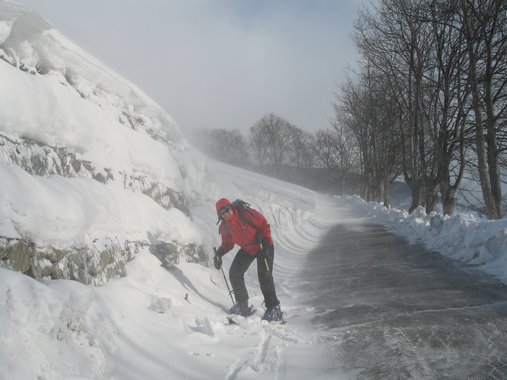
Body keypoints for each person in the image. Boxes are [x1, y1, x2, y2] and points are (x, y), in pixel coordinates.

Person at [214, 198, 282, 321]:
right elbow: (227, 243)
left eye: (226, 210)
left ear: (231, 208)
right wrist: (219, 254)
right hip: (248, 249)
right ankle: (242, 306)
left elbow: (263, 225)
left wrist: (266, 242)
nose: (225, 214)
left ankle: (274, 309)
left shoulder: (245, 214)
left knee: (264, 275)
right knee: (235, 272)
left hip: (262, 245)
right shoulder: (225, 227)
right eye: (222, 213)